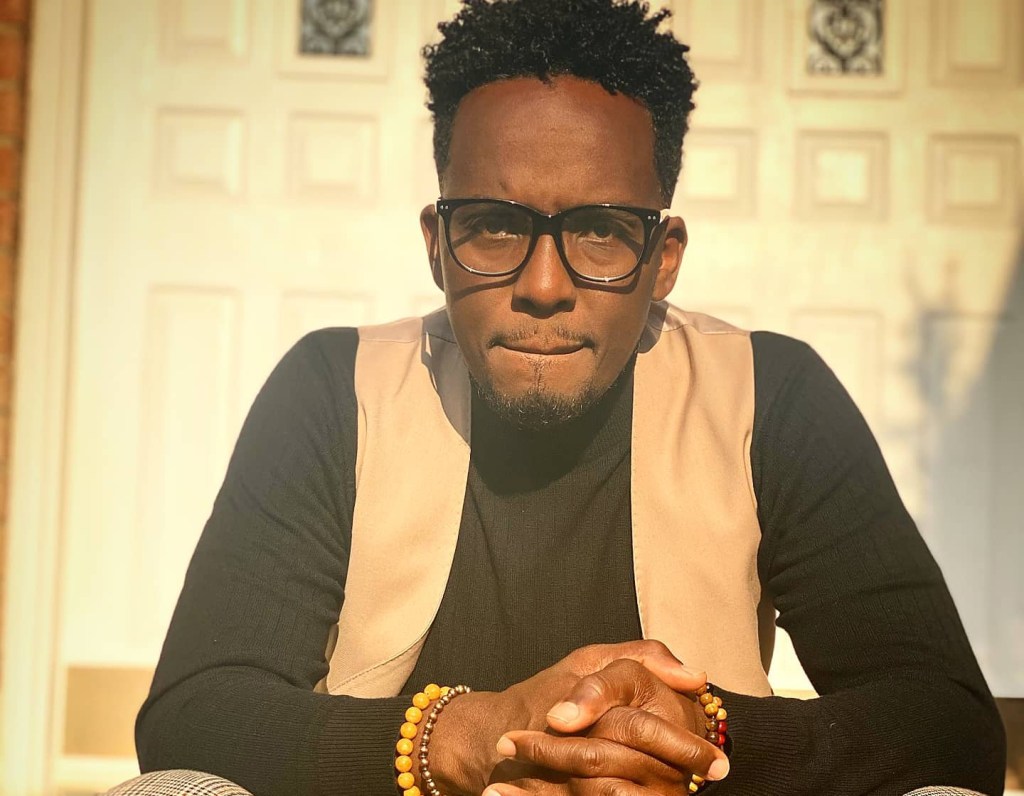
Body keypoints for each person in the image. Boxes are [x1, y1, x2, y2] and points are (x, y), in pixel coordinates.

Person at [135, 1, 1006, 794]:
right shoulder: (337, 389)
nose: (544, 286)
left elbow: (948, 726)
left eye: (599, 231)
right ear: (437, 243)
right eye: (495, 226)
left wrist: (695, 739)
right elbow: (194, 714)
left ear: (663, 258)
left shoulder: (767, 395)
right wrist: (461, 736)